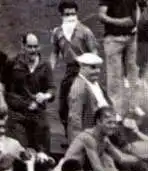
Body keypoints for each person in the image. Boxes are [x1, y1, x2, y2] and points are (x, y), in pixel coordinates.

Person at [61, 106, 140, 171]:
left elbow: (121, 158)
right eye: (109, 122)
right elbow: (98, 168)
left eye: (115, 123)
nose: (113, 126)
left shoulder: (104, 139)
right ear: (98, 121)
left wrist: (144, 159)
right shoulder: (88, 137)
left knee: (108, 162)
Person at [50, 1, 99, 138]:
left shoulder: (85, 31)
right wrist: (51, 69)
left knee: (89, 105)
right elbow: (54, 52)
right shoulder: (57, 32)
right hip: (70, 70)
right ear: (61, 15)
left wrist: (91, 69)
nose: (70, 16)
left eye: (73, 13)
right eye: (67, 14)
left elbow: (93, 51)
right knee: (63, 107)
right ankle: (69, 136)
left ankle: (89, 137)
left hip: (84, 70)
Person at [3, 34, 55, 153]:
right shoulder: (12, 63)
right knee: (20, 152)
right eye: (29, 47)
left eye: (35, 47)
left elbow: (52, 88)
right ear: (23, 46)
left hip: (38, 113)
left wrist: (45, 95)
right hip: (18, 115)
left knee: (43, 152)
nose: (33, 50)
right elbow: (3, 84)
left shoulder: (45, 65)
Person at [98, 0, 140, 112]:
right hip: (113, 39)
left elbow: (138, 7)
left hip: (131, 38)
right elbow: (101, 16)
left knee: (134, 72)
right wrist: (120, 22)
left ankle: (134, 106)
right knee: (114, 76)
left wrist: (137, 24)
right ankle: (116, 112)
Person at [67, 53, 114, 144]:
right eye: (93, 68)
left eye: (99, 67)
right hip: (89, 139)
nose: (98, 71)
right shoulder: (78, 88)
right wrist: (78, 145)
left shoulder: (94, 83)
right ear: (82, 68)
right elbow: (75, 120)